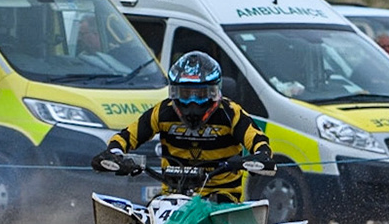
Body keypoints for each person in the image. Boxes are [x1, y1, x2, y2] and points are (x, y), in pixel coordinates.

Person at [93, 52, 271, 204]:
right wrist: (114, 153)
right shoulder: (162, 112)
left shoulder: (231, 113)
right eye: (185, 94)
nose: (192, 103)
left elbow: (258, 140)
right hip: (172, 196)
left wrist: (261, 156)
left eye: (200, 95)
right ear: (174, 92)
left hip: (222, 197)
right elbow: (127, 136)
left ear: (214, 92)